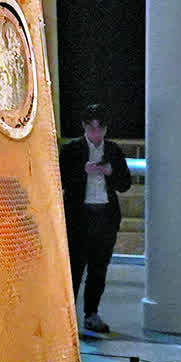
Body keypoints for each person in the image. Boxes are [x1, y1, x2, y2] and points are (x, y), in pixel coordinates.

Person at [61, 103, 132, 336]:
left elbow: (125, 184)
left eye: (100, 128)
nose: (96, 133)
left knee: (98, 269)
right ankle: (67, 318)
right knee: (74, 269)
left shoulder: (113, 150)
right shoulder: (72, 150)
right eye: (91, 128)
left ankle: (91, 314)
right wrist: (83, 170)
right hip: (78, 218)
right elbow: (58, 178)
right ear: (84, 127)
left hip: (105, 217)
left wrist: (111, 172)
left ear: (105, 128)